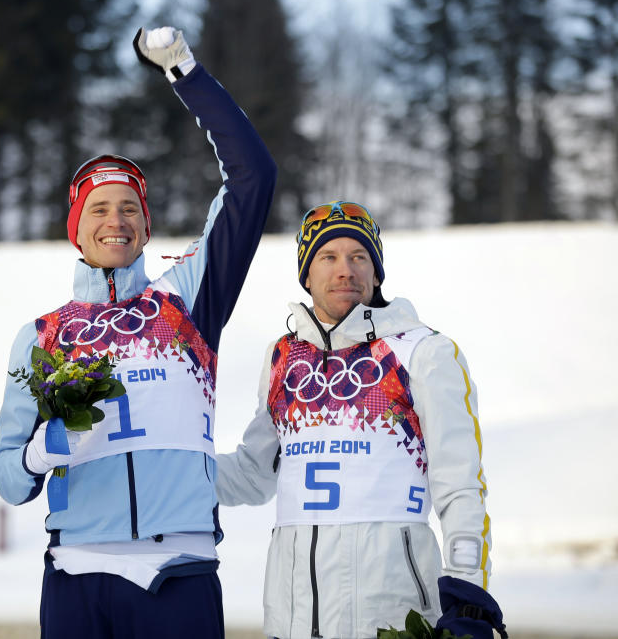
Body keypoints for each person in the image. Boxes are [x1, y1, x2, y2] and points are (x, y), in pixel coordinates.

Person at [0, 26, 276, 638]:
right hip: (76, 579)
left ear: (147, 228)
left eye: (129, 209)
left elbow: (254, 177)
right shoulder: (42, 337)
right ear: (76, 228)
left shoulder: (188, 300)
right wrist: (41, 451)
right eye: (99, 208)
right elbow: (9, 482)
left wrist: (186, 71)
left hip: (179, 571)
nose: (115, 221)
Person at [216, 201, 507, 639]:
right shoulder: (282, 359)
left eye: (359, 257)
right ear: (307, 275)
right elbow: (254, 474)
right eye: (328, 257)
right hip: (292, 615)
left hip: (391, 612)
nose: (345, 270)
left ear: (376, 273)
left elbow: (460, 485)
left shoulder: (423, 352)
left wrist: (468, 592)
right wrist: (168, 467)